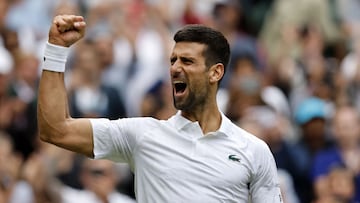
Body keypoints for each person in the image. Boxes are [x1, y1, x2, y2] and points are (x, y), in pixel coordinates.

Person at [38, 15, 282, 202]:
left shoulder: (254, 151)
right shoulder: (142, 135)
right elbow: (55, 129)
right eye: (173, 60)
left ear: (215, 72)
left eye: (187, 61)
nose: (175, 68)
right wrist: (56, 49)